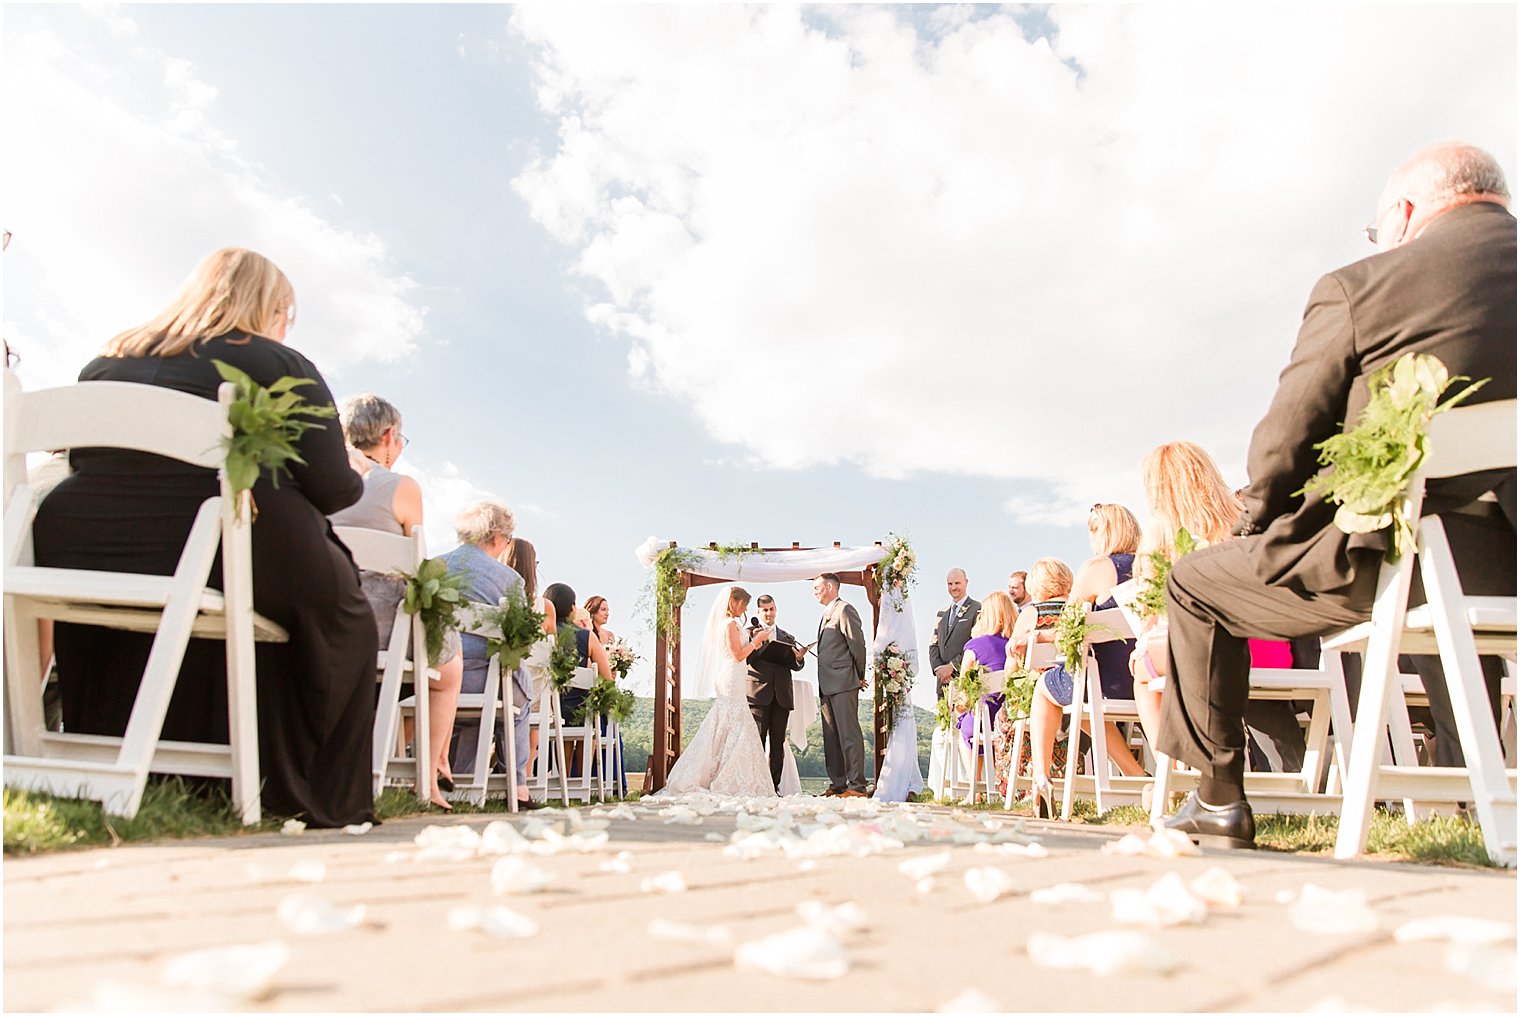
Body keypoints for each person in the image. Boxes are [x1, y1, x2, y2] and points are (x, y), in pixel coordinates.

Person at [1159, 141, 1517, 850]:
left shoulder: (1366, 285)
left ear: (1406, 213)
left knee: (1194, 584)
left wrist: (1254, 526)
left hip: (1394, 554)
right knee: (1439, 594)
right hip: (1503, 559)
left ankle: (1220, 798)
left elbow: (1284, 443)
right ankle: (1476, 782)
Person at [33, 247, 376, 827]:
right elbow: (334, 488)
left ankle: (135, 766)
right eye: (284, 312)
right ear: (269, 309)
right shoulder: (276, 361)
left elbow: (86, 455)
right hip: (217, 539)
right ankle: (295, 788)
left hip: (85, 540)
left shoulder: (107, 361)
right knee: (345, 618)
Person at [1128, 441, 1300, 768]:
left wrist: (1141, 649)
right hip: (1271, 651)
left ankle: (1169, 769)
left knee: (1142, 668)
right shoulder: (1244, 521)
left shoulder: (1162, 533)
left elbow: (1152, 612)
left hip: (1209, 656)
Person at [329, 393, 463, 810]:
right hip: (379, 627)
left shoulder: (320, 475)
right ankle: (431, 772)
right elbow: (417, 568)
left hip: (322, 610)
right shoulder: (400, 486)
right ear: (389, 437)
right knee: (449, 667)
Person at [1026, 506, 1148, 817]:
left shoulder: (1096, 569)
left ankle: (1042, 778)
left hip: (1108, 683)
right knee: (1080, 703)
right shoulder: (1153, 566)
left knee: (1048, 689)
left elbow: (1070, 628)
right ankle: (1139, 776)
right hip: (1151, 676)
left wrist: (1040, 637)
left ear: (1101, 532)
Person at [438, 501, 539, 807]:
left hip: (432, 679)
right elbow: (520, 645)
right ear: (497, 537)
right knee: (521, 699)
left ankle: (455, 779)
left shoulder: (435, 565)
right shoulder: (510, 580)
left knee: (475, 711)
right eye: (507, 540)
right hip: (482, 684)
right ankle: (518, 787)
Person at [658, 586, 778, 796]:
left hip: (735, 676)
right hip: (731, 677)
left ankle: (726, 770)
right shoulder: (729, 624)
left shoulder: (731, 624)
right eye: (744, 604)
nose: (745, 609)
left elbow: (741, 652)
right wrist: (756, 642)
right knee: (730, 719)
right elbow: (738, 655)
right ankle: (719, 774)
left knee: (730, 722)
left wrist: (753, 643)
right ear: (733, 602)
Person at [996, 556, 1073, 812]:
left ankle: (1023, 789)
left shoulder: (1032, 614)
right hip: (1076, 694)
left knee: (1005, 718)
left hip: (1037, 698)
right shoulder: (1077, 609)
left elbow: (1012, 669)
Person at [813, 573, 869, 797]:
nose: (814, 591)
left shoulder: (844, 609)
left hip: (844, 681)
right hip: (826, 684)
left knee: (849, 734)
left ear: (829, 587)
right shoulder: (826, 613)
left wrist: (858, 675)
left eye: (817, 587)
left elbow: (857, 645)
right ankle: (838, 784)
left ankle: (857, 785)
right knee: (831, 737)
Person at [745, 593, 805, 792]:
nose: (769, 613)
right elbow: (744, 659)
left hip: (782, 696)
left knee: (777, 743)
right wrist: (757, 643)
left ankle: (774, 787)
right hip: (758, 694)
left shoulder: (788, 637)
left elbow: (795, 666)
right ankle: (755, 785)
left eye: (772, 609)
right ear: (758, 612)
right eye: (765, 610)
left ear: (776, 609)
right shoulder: (749, 632)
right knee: (757, 742)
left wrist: (798, 658)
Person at [954, 590, 1019, 750]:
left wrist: (957, 710)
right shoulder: (1018, 646)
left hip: (983, 720)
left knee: (962, 725)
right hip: (1013, 719)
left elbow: (964, 693)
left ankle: (974, 775)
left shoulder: (974, 647)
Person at [929, 568, 981, 700]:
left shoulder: (977, 609)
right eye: (950, 584)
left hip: (964, 681)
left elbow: (976, 645)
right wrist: (939, 670)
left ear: (966, 582)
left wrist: (952, 667)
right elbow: (934, 645)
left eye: (957, 583)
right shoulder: (941, 614)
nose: (953, 587)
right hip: (943, 684)